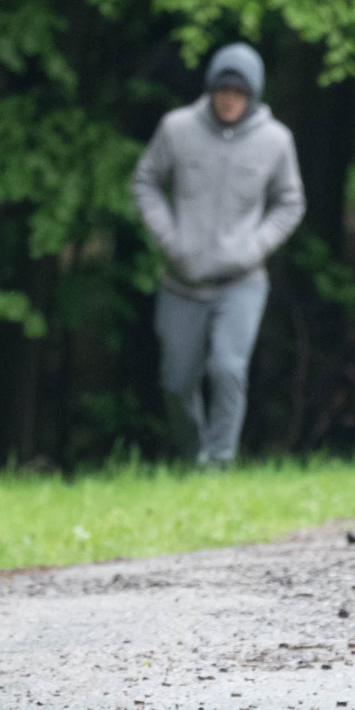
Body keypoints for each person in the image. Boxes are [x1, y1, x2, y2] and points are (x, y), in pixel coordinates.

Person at [130, 42, 305, 466]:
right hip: (182, 279)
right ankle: (194, 458)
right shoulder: (177, 129)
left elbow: (290, 202)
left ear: (253, 96)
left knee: (228, 368)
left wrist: (256, 245)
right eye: (223, 90)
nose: (229, 99)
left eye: (239, 93)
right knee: (176, 382)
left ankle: (219, 463)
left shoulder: (275, 140)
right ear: (210, 89)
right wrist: (170, 238)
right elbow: (145, 181)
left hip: (241, 281)